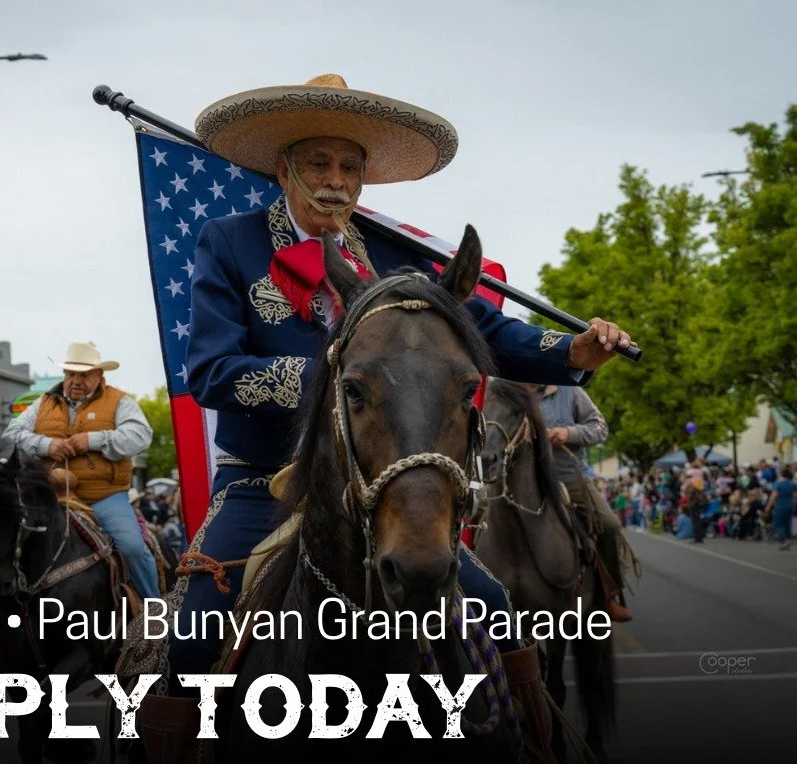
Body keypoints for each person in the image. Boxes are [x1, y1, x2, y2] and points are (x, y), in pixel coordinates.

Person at [139, 73, 634, 759]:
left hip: (382, 489)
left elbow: (484, 329)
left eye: (349, 166)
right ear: (284, 167)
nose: (334, 180)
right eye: (317, 162)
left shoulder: (398, 254)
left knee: (495, 609)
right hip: (265, 482)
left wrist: (570, 351)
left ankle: (536, 743)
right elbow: (211, 372)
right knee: (194, 634)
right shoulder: (231, 242)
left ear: (365, 179)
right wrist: (340, 382)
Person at [3, 340, 159, 599]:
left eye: (85, 374)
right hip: (49, 497)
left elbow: (140, 436)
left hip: (104, 497)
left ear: (99, 375)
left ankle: (154, 610)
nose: (77, 380)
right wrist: (46, 445)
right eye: (71, 373)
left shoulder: (119, 401)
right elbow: (11, 435)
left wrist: (94, 440)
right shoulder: (42, 404)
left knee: (132, 547)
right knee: (6, 542)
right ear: (64, 374)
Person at [534, 383, 633, 621]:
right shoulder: (511, 390)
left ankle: (609, 595)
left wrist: (568, 433)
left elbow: (600, 428)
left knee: (610, 526)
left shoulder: (571, 392)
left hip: (569, 477)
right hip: (525, 479)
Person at [766, 468, 795, 551]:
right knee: (787, 524)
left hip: (780, 506)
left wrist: (768, 506)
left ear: (782, 474)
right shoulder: (792, 484)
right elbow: (795, 495)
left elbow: (774, 496)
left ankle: (783, 539)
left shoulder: (778, 484)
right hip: (790, 505)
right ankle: (787, 540)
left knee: (777, 524)